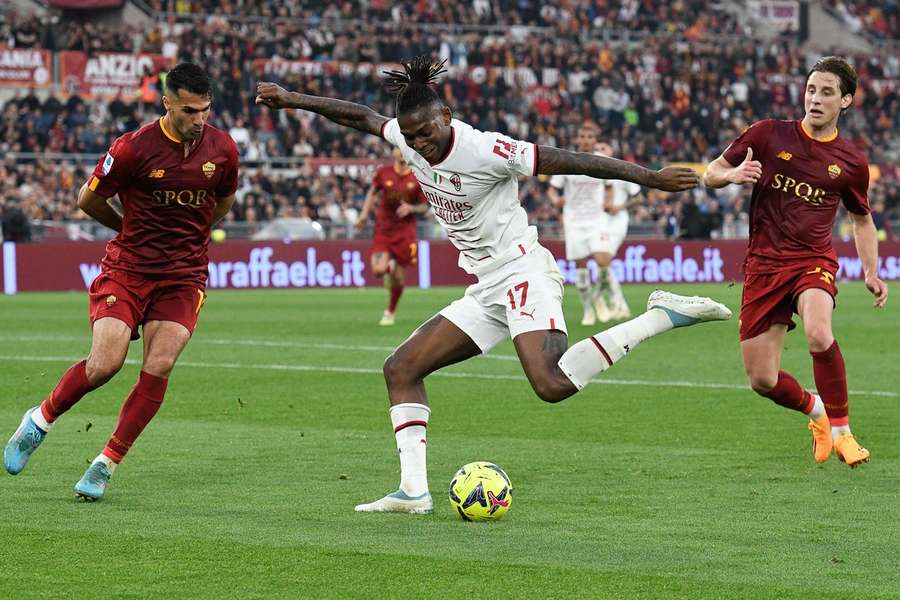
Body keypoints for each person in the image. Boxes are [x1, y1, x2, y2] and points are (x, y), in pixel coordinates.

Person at [257, 56, 731, 514]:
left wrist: (649, 177)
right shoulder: (405, 137)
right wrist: (291, 98)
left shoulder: (486, 149)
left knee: (550, 382)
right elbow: (360, 115)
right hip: (486, 284)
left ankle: (659, 316)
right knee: (400, 369)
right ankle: (412, 493)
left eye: (426, 132)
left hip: (523, 269)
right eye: (410, 136)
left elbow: (572, 160)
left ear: (447, 115)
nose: (419, 144)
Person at [4, 63, 239, 500]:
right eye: (190, 111)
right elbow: (87, 198)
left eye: (206, 110)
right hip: (128, 270)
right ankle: (39, 421)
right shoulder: (133, 149)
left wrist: (192, 235)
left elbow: (222, 201)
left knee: (160, 364)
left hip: (184, 276)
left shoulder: (223, 150)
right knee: (104, 364)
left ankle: (105, 463)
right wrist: (125, 228)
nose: (199, 120)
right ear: (167, 103)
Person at [703, 56, 888, 468]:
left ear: (847, 101)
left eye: (826, 92)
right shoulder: (768, 134)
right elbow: (710, 172)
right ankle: (817, 413)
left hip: (812, 261)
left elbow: (862, 219)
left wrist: (872, 272)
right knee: (762, 380)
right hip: (764, 266)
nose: (815, 99)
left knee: (819, 334)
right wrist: (731, 177)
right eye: (810, 90)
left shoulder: (851, 162)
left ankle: (843, 432)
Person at [547, 122, 613, 326]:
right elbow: (552, 189)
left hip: (597, 219)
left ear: (595, 140)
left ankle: (598, 297)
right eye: (582, 136)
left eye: (589, 136)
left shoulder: (603, 161)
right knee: (582, 269)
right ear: (578, 140)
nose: (586, 140)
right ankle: (588, 310)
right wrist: (555, 201)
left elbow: (610, 185)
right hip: (574, 220)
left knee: (603, 261)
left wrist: (608, 200)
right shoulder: (567, 161)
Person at [355, 147, 428, 325]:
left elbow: (424, 207)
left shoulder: (418, 176)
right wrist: (364, 214)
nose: (402, 152)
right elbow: (372, 192)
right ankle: (389, 268)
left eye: (406, 148)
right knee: (378, 270)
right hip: (384, 228)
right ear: (393, 152)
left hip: (405, 231)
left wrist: (411, 208)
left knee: (400, 278)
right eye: (398, 148)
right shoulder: (384, 172)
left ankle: (390, 311)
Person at [595, 140, 642, 320]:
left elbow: (638, 198)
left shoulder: (620, 171)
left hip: (617, 221)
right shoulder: (591, 173)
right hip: (599, 220)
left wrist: (620, 206)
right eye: (597, 149)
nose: (599, 151)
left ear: (611, 150)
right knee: (602, 263)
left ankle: (615, 302)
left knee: (603, 260)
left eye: (603, 148)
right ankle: (612, 302)